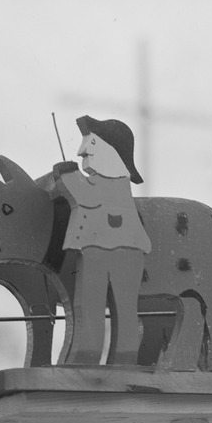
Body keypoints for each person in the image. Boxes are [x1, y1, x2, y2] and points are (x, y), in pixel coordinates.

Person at [52, 116, 151, 365]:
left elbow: (89, 197)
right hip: (99, 249)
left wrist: (69, 176)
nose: (82, 150)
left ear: (110, 148)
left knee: (117, 305)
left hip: (122, 249)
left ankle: (122, 355)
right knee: (90, 303)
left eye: (91, 143)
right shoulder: (105, 180)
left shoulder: (115, 182)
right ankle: (89, 353)